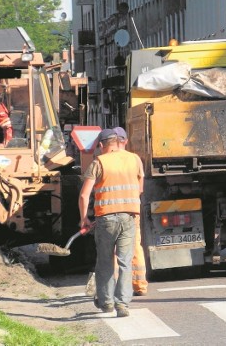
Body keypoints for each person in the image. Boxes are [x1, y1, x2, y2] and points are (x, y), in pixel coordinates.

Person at [78, 129, 144, 317]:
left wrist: (84, 218)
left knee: (105, 261)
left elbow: (84, 195)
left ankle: (106, 302)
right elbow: (139, 188)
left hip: (106, 218)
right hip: (129, 217)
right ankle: (122, 304)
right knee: (125, 261)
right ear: (118, 142)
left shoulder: (99, 162)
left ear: (101, 145)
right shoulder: (135, 159)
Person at [113, 126, 148, 296]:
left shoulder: (105, 159)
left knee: (113, 249)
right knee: (134, 246)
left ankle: (115, 285)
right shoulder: (135, 159)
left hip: (110, 211)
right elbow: (140, 188)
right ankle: (139, 284)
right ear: (126, 141)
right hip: (132, 210)